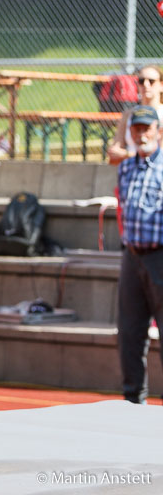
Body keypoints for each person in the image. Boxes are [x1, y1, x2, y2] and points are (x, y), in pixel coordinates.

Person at [115, 105, 163, 404]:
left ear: (158, 131)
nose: (141, 133)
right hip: (132, 258)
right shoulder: (126, 167)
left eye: (146, 128)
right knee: (130, 333)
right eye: (136, 128)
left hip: (160, 257)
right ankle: (133, 400)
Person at [108, 65, 163, 166]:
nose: (146, 85)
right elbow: (114, 153)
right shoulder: (129, 114)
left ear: (161, 85)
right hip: (130, 170)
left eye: (151, 81)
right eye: (141, 81)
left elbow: (158, 156)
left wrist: (127, 154)